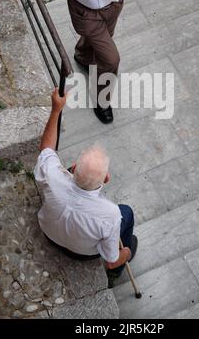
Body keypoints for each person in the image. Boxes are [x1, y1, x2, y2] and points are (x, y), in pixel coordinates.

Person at [9, 0, 135, 124]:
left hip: (112, 5)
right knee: (111, 59)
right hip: (86, 14)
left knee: (100, 41)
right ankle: (103, 101)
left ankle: (83, 56)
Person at [34, 89, 138, 284]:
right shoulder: (111, 215)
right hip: (81, 254)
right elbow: (110, 261)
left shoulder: (52, 176)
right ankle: (118, 274)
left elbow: (46, 149)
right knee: (128, 213)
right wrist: (125, 252)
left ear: (73, 168)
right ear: (106, 179)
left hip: (48, 233)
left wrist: (56, 109)